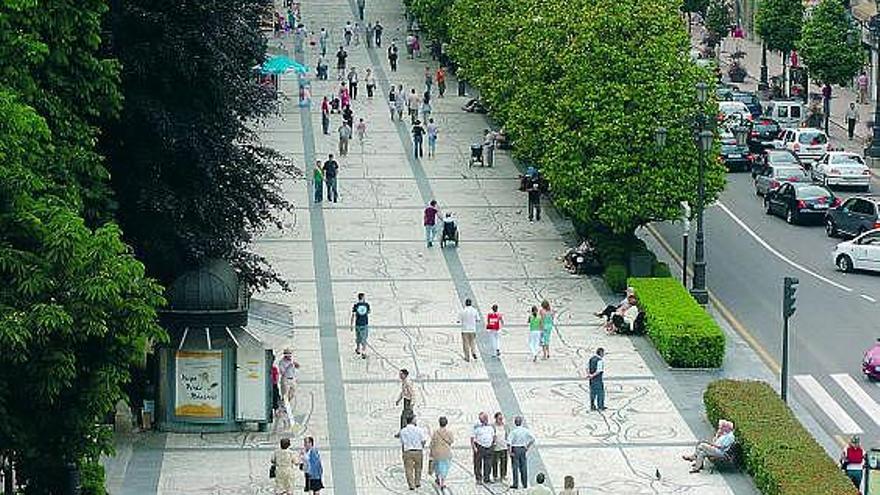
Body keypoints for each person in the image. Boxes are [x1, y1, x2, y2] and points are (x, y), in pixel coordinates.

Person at [399, 415, 428, 490]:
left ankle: (411, 484)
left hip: (407, 451)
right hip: (418, 450)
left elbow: (402, 442)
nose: (416, 420)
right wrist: (422, 446)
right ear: (412, 420)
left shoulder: (403, 431)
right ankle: (417, 482)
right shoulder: (419, 430)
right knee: (418, 467)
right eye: (415, 419)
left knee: (408, 469)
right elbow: (424, 440)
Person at [507, 416, 535, 489]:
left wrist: (509, 452)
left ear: (515, 423)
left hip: (515, 449)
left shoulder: (513, 432)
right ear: (521, 422)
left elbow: (509, 442)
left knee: (515, 467)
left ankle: (515, 483)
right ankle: (525, 483)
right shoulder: (525, 430)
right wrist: (527, 446)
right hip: (523, 448)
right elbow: (532, 439)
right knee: (524, 467)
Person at [429, 416, 454, 489]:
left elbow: (432, 442)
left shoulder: (435, 432)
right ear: (446, 423)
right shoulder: (449, 432)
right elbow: (451, 441)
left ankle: (437, 478)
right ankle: (442, 482)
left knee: (437, 466)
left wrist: (431, 451)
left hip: (436, 452)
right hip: (445, 452)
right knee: (444, 467)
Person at [471, 412, 494, 485]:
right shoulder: (476, 427)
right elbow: (472, 438)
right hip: (479, 447)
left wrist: (493, 443)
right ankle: (478, 478)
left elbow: (493, 436)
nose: (484, 420)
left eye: (485, 418)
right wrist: (474, 447)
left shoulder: (490, 427)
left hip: (489, 447)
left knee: (488, 463)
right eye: (482, 418)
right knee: (478, 464)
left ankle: (487, 478)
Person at [350, 292, 370, 358]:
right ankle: (363, 352)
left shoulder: (356, 305)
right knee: (364, 338)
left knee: (358, 337)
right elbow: (369, 312)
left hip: (357, 324)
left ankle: (358, 349)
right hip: (364, 323)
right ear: (363, 298)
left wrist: (351, 324)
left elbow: (353, 315)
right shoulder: (366, 305)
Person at [491, 412, 508, 483]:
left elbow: (507, 435)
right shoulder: (493, 426)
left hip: (504, 447)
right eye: (499, 419)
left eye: (501, 419)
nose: (501, 420)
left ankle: (503, 475)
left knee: (504, 462)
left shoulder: (505, 426)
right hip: (496, 447)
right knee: (495, 462)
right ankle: (495, 476)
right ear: (496, 419)